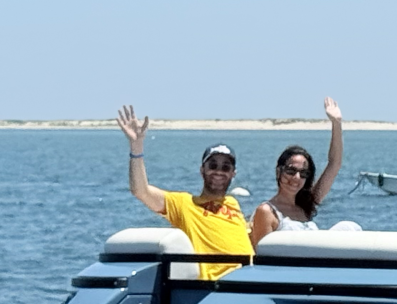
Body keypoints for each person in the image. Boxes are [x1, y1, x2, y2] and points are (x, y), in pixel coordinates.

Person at [118, 105, 252, 279]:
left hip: (250, 280)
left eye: (225, 167)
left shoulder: (233, 204)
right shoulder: (183, 203)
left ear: (233, 174)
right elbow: (141, 191)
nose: (219, 171)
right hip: (219, 286)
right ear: (202, 170)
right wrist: (136, 149)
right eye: (213, 166)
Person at [249, 97, 345, 247]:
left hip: (311, 267)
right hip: (287, 269)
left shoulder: (305, 205)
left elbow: (334, 164)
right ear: (279, 171)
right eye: (291, 171)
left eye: (303, 173)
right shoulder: (267, 212)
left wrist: (336, 124)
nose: (296, 177)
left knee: (347, 227)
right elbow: (261, 258)